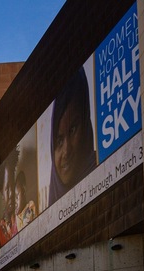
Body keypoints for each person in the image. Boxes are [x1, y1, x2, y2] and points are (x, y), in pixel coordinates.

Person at [48, 67, 97, 204]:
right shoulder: (52, 201)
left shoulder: (106, 168)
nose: (66, 151)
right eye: (59, 140)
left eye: (73, 130)